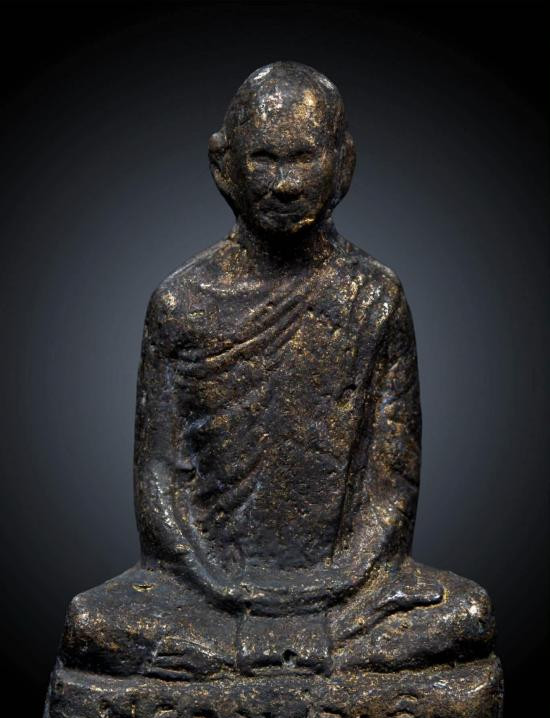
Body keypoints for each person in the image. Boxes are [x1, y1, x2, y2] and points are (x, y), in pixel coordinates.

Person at [60, 61, 495, 681]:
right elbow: (158, 479)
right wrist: (221, 585)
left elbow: (392, 486)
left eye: (304, 158)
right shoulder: (183, 303)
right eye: (264, 159)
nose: (285, 184)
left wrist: (337, 583)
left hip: (346, 593)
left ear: (343, 164)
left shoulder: (373, 297)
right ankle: (296, 658)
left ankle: (235, 663)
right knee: (92, 621)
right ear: (224, 166)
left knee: (466, 613)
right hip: (208, 590)